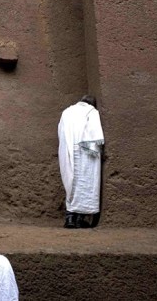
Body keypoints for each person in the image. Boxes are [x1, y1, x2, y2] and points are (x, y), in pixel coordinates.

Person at [58, 95, 104, 229]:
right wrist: (97, 152)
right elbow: (94, 134)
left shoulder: (67, 112)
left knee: (71, 182)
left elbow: (61, 131)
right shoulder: (91, 112)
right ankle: (78, 219)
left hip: (67, 150)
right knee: (85, 184)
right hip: (85, 152)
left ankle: (70, 218)